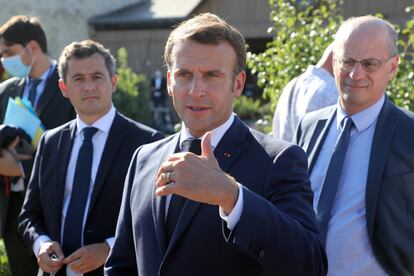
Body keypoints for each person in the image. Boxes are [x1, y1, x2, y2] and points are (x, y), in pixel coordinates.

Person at [105, 13, 326, 275]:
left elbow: (309, 264)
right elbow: (121, 264)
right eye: (184, 74)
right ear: (169, 82)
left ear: (238, 84)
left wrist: (232, 196)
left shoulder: (278, 160)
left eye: (211, 76)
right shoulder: (144, 158)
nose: (196, 90)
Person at [18, 39, 163, 275]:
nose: (89, 87)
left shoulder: (148, 143)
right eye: (78, 79)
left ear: (113, 82)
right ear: (64, 88)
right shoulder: (51, 142)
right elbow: (29, 215)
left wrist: (109, 248)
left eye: (97, 77)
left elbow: (155, 220)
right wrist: (40, 243)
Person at [295, 16, 414, 275]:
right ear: (334, 63)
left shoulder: (410, 133)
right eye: (347, 61)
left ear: (392, 67)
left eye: (369, 64)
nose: (355, 74)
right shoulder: (310, 125)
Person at [0, 15, 75, 275]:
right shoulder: (6, 91)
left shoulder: (71, 85)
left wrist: (21, 170)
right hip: (11, 211)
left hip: (54, 207)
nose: (3, 60)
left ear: (32, 48)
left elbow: (75, 146)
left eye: (8, 52)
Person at [273, 43, 338, 141]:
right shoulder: (332, 89)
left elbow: (276, 129)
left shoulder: (292, 84)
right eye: (348, 61)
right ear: (337, 58)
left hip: (285, 154)